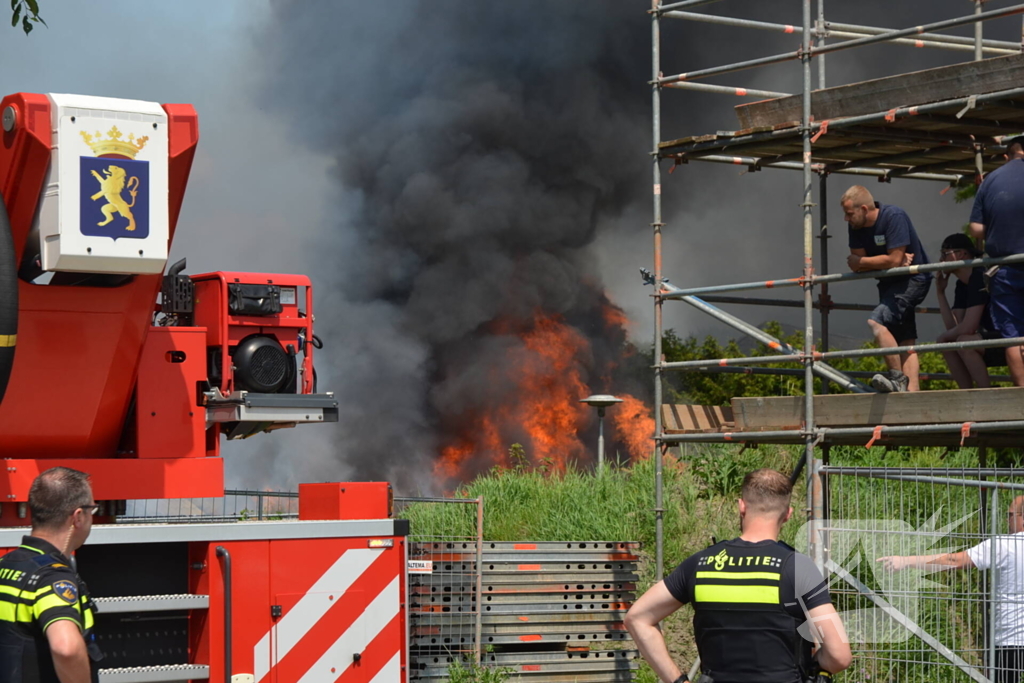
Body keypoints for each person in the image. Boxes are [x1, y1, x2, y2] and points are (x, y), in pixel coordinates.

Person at [625, 469, 852, 683]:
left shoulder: (700, 564)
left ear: (741, 507)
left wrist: (678, 680)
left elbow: (637, 618)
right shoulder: (798, 567)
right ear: (788, 515)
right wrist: (814, 666)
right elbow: (839, 655)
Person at [878, 495, 1024, 683]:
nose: (1006, 519)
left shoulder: (1005, 545)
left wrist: (906, 561)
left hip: (1010, 639)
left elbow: (953, 561)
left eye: (1010, 514)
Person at [0, 467, 102, 683]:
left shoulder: (6, 565)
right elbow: (66, 649)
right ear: (78, 517)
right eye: (92, 511)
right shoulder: (52, 578)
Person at [843, 185, 933, 393]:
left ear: (864, 209)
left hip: (913, 279)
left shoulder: (894, 216)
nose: (846, 219)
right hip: (889, 282)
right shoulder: (856, 226)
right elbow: (856, 265)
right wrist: (891, 262)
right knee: (905, 338)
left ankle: (897, 378)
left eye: (849, 214)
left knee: (876, 321)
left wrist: (888, 261)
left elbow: (882, 259)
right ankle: (912, 395)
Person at [970, 135, 1024, 387]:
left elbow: (975, 228)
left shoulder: (990, 180)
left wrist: (999, 228)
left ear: (1007, 155)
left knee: (1013, 338)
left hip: (1003, 268)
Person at [935, 233, 1002, 389]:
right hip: (992, 341)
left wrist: (942, 338)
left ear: (961, 254)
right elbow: (954, 328)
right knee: (951, 341)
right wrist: (940, 293)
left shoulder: (979, 276)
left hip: (1009, 338)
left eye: (945, 254)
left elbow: (968, 327)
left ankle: (985, 395)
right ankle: (967, 393)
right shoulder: (962, 285)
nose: (941, 260)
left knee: (964, 342)